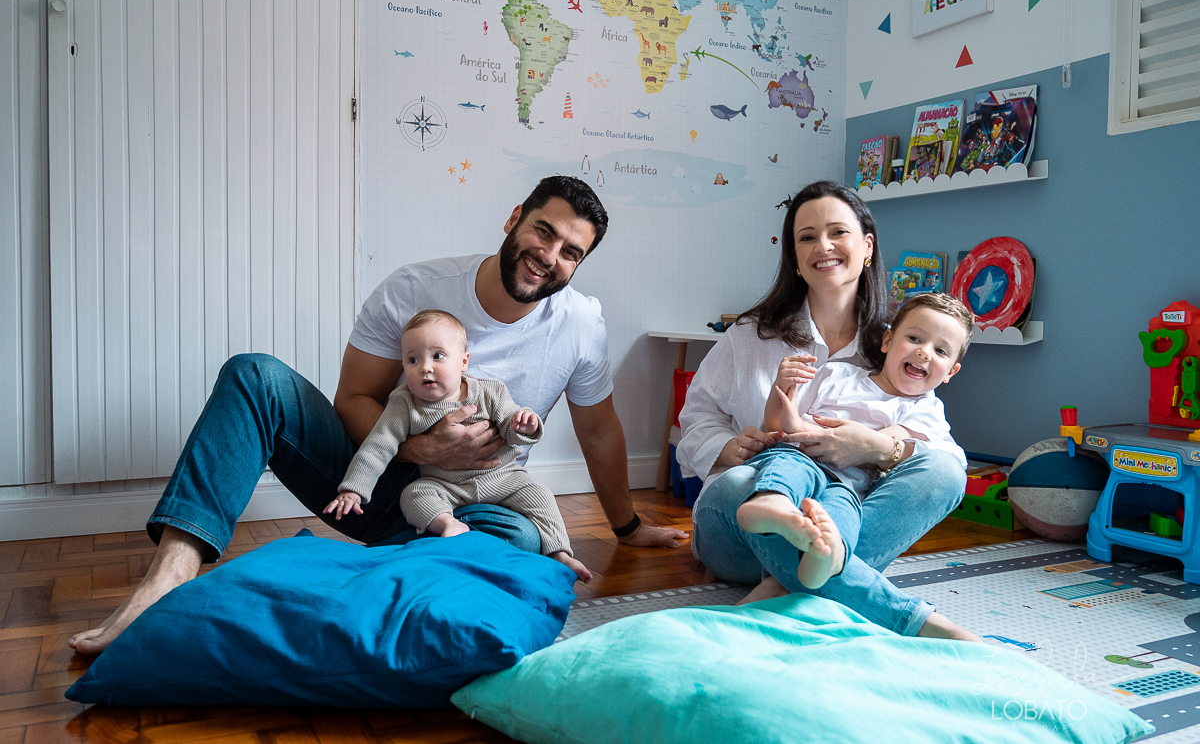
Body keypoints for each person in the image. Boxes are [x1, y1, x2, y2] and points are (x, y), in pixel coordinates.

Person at [69, 175, 686, 655]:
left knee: (524, 538)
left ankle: (374, 584)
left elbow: (598, 428)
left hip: (472, 505)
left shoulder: (581, 325)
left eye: (571, 252)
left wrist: (629, 528)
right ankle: (170, 576)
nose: (550, 255)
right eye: (544, 232)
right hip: (374, 483)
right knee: (253, 375)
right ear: (513, 220)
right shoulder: (415, 287)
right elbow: (352, 401)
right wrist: (417, 451)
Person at [678, 180, 971, 637]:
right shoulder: (750, 338)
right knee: (741, 483)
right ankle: (902, 616)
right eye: (807, 236)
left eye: (838, 232)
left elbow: (943, 455)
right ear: (795, 257)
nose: (824, 246)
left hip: (838, 514)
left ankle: (786, 585)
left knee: (946, 475)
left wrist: (876, 447)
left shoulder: (898, 350)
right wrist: (729, 446)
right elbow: (696, 417)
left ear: (868, 246)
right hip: (740, 526)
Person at [325, 309, 591, 581]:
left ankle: (559, 553)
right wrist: (353, 490)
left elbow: (512, 429)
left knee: (540, 495)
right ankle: (446, 524)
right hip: (445, 486)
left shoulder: (491, 391)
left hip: (502, 478)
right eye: (413, 360)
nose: (425, 367)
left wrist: (524, 426)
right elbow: (377, 447)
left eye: (438, 356)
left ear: (463, 362)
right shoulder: (403, 403)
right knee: (414, 493)